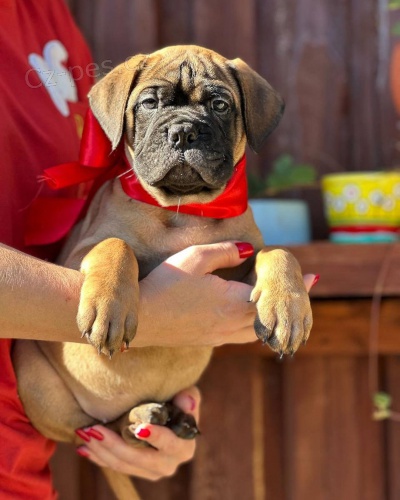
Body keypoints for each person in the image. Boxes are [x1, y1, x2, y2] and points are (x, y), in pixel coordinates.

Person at [0, 1, 317, 499]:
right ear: (119, 116)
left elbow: (251, 270)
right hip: (46, 399)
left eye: (217, 106)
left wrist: (281, 271)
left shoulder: (50, 20)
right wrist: (126, 279)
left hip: (26, 465)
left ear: (249, 117)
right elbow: (90, 255)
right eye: (152, 104)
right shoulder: (121, 209)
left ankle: (136, 426)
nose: (182, 129)